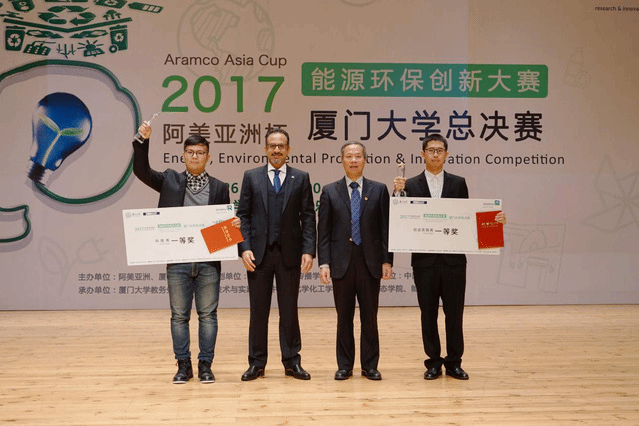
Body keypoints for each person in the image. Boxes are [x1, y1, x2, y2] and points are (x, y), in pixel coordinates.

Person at [393, 134, 506, 381]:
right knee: (428, 314)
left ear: (446, 154)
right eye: (430, 150)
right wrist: (397, 193)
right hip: (424, 262)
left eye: (439, 150)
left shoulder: (458, 183)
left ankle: (454, 362)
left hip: (454, 261)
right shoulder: (408, 184)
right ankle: (433, 362)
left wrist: (494, 222)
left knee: (455, 314)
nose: (435, 154)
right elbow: (399, 218)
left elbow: (466, 219)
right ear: (422, 154)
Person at [133, 122, 235, 384]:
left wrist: (232, 227)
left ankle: (205, 365)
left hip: (208, 263)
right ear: (183, 155)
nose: (194, 156)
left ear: (208, 156)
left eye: (200, 152)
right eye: (190, 152)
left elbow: (224, 228)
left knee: (208, 315)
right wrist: (142, 141)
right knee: (179, 316)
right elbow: (141, 171)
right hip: (177, 261)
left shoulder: (220, 187)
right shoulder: (170, 180)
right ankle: (183, 365)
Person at [236, 128, 316, 381]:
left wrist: (308, 251)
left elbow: (308, 217)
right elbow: (243, 216)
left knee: (289, 311)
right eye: (272, 146)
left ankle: (292, 362)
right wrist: (244, 248)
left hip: (290, 255)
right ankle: (256, 363)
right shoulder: (251, 176)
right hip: (258, 256)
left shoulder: (300, 178)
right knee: (258, 312)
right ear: (265, 149)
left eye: (281, 146)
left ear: (288, 149)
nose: (277, 150)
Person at [318, 142, 393, 381]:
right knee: (344, 317)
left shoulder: (379, 190)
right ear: (342, 160)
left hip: (370, 263)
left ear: (365, 160)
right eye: (349, 156)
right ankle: (345, 365)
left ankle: (370, 366)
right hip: (341, 264)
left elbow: (386, 229)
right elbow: (324, 232)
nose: (353, 160)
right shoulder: (330, 191)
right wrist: (324, 263)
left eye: (358, 156)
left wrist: (387, 260)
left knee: (370, 317)